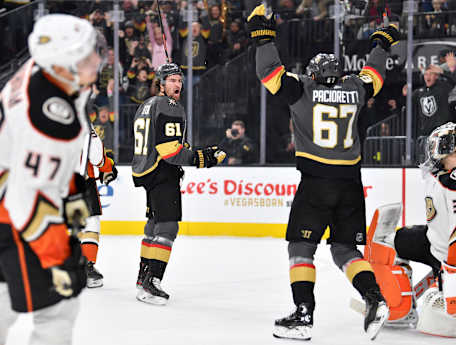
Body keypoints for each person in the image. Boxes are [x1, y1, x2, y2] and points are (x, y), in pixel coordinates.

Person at [248, 3, 400, 340]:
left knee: (300, 250)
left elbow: (269, 73)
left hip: (316, 182)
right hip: (350, 183)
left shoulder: (303, 88)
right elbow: (374, 75)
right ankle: (374, 298)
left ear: (315, 75)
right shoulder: (355, 90)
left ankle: (303, 316)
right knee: (345, 250)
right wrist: (382, 44)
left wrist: (263, 36)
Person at [0, 14, 105, 345]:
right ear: (63, 63)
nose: (97, 59)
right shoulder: (50, 116)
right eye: (86, 54)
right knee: (58, 310)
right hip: (7, 215)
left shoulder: (44, 70)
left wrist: (71, 194)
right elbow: (28, 199)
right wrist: (57, 255)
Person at [132, 62, 225, 305]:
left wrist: (189, 152)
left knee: (153, 225)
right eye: (172, 80)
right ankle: (153, 281)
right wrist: (201, 158)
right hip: (163, 173)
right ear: (161, 83)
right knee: (168, 227)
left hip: (147, 171)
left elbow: (159, 143)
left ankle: (143, 278)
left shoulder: (146, 105)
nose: (178, 85)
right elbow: (170, 152)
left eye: (179, 80)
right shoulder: (169, 106)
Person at [367, 122, 456, 336]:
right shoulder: (441, 176)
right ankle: (401, 304)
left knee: (437, 321)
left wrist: (451, 281)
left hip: (447, 258)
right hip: (435, 244)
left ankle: (401, 308)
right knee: (388, 240)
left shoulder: (451, 181)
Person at [80, 124, 118, 288]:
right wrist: (107, 167)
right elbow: (97, 157)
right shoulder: (83, 122)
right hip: (80, 182)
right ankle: (87, 267)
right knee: (91, 223)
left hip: (49, 180)